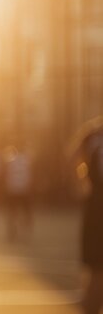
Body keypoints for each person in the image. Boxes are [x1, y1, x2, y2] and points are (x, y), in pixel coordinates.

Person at [73, 121, 103, 314]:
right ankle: (90, 303)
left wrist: (80, 182)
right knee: (97, 266)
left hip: (95, 206)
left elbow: (72, 156)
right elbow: (73, 157)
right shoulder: (92, 135)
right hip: (97, 208)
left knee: (95, 267)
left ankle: (90, 302)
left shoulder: (92, 135)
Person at [3, 145, 33, 243]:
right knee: (25, 210)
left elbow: (6, 174)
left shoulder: (10, 159)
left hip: (13, 189)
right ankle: (26, 226)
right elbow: (30, 174)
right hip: (23, 188)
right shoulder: (26, 159)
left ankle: (12, 230)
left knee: (12, 211)